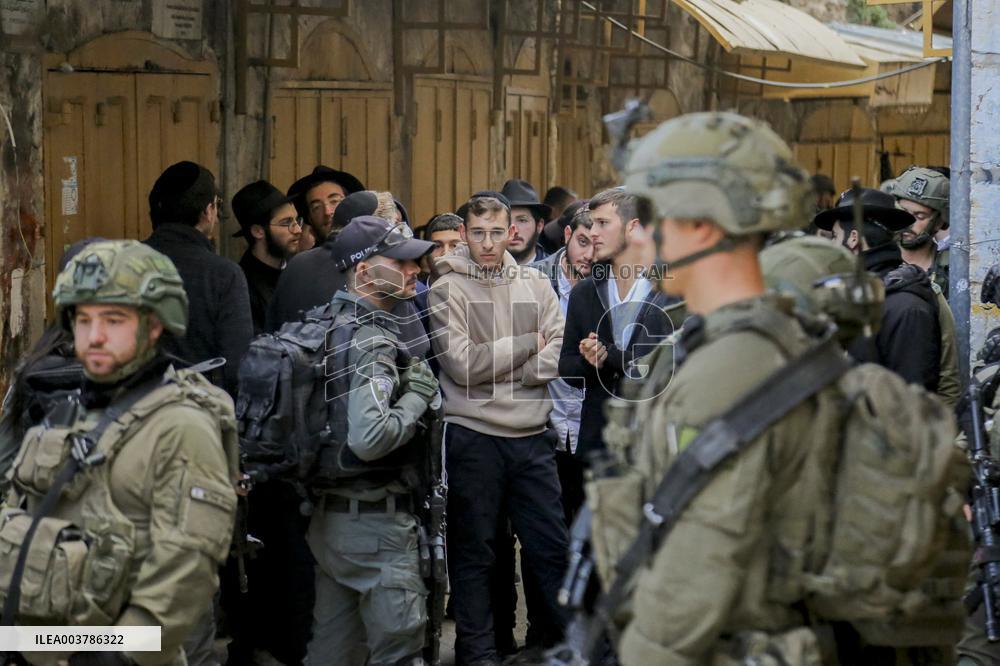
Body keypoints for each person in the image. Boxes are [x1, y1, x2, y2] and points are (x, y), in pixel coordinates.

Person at [5, 240, 238, 666]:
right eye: (84, 319)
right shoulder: (72, 410)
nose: (94, 336)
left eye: (113, 320)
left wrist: (116, 657)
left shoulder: (182, 426)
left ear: (153, 326)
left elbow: (185, 573)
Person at [428, 195, 569, 666]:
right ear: (465, 234)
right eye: (477, 232)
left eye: (496, 232)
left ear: (513, 232)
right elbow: (463, 366)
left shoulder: (535, 282)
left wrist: (523, 371)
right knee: (476, 554)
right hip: (474, 435)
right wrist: (530, 344)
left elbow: (561, 347)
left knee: (550, 548)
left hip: (532, 437)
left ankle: (556, 647)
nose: (487, 243)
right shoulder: (446, 289)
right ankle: (478, 653)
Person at [304, 215, 440, 666]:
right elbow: (370, 438)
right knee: (398, 653)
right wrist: (418, 397)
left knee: (332, 652)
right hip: (376, 529)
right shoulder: (370, 340)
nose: (414, 269)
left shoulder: (324, 324)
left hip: (330, 522)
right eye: (399, 262)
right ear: (364, 272)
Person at [558, 188, 676, 464]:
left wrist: (608, 354)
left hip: (653, 445)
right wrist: (591, 360)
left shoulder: (670, 290)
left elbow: (662, 370)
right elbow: (567, 369)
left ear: (634, 228)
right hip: (596, 445)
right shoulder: (585, 292)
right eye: (591, 223)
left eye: (603, 223)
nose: (593, 232)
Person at [814, 188, 949, 396]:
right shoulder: (849, 294)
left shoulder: (906, 306)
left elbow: (911, 403)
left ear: (853, 238)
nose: (831, 246)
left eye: (834, 236)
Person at [144, 160, 252, 396]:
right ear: (208, 211)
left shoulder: (121, 264)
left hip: (129, 412)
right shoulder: (223, 275)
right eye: (217, 206)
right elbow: (238, 366)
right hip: (198, 413)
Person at [530, 205, 595, 522]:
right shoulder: (534, 279)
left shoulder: (606, 282)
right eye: (582, 241)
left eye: (596, 245)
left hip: (589, 427)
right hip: (544, 427)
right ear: (567, 234)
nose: (588, 254)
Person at [231, 180, 302, 335]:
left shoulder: (299, 272)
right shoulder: (241, 286)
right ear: (258, 231)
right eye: (286, 223)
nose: (297, 230)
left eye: (297, 220)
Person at [894, 165, 951, 297]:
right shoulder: (875, 261)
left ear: (939, 222)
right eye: (902, 212)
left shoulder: (951, 269)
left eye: (919, 216)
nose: (908, 222)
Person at [286, 165, 365, 245]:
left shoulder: (375, 250)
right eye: (317, 207)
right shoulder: (308, 258)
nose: (327, 212)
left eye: (334, 201)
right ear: (309, 218)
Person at [501, 179, 551, 264]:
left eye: (522, 220)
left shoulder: (555, 272)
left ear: (539, 226)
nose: (514, 230)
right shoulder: (484, 271)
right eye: (507, 221)